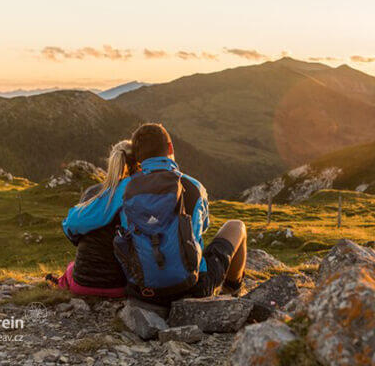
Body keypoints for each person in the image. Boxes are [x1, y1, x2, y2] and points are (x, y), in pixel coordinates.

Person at [62, 123, 247, 305]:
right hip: (194, 287)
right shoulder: (194, 187)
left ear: (137, 157)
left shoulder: (124, 189)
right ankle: (233, 289)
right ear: (170, 147)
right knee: (236, 226)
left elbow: (74, 222)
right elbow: (202, 228)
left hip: (142, 290)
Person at [52, 140, 136, 297]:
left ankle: (61, 283)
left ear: (112, 163)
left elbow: (74, 236)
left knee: (71, 268)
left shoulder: (93, 193)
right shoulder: (138, 195)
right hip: (120, 286)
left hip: (82, 284)